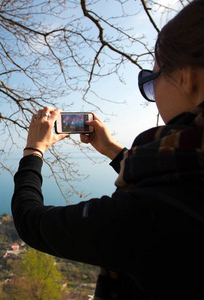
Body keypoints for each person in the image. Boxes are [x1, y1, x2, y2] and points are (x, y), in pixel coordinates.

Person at [11, 1, 204, 299]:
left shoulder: (148, 216)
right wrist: (113, 150)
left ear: (187, 77)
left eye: (151, 81)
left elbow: (31, 221)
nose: (152, 96)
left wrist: (33, 150)